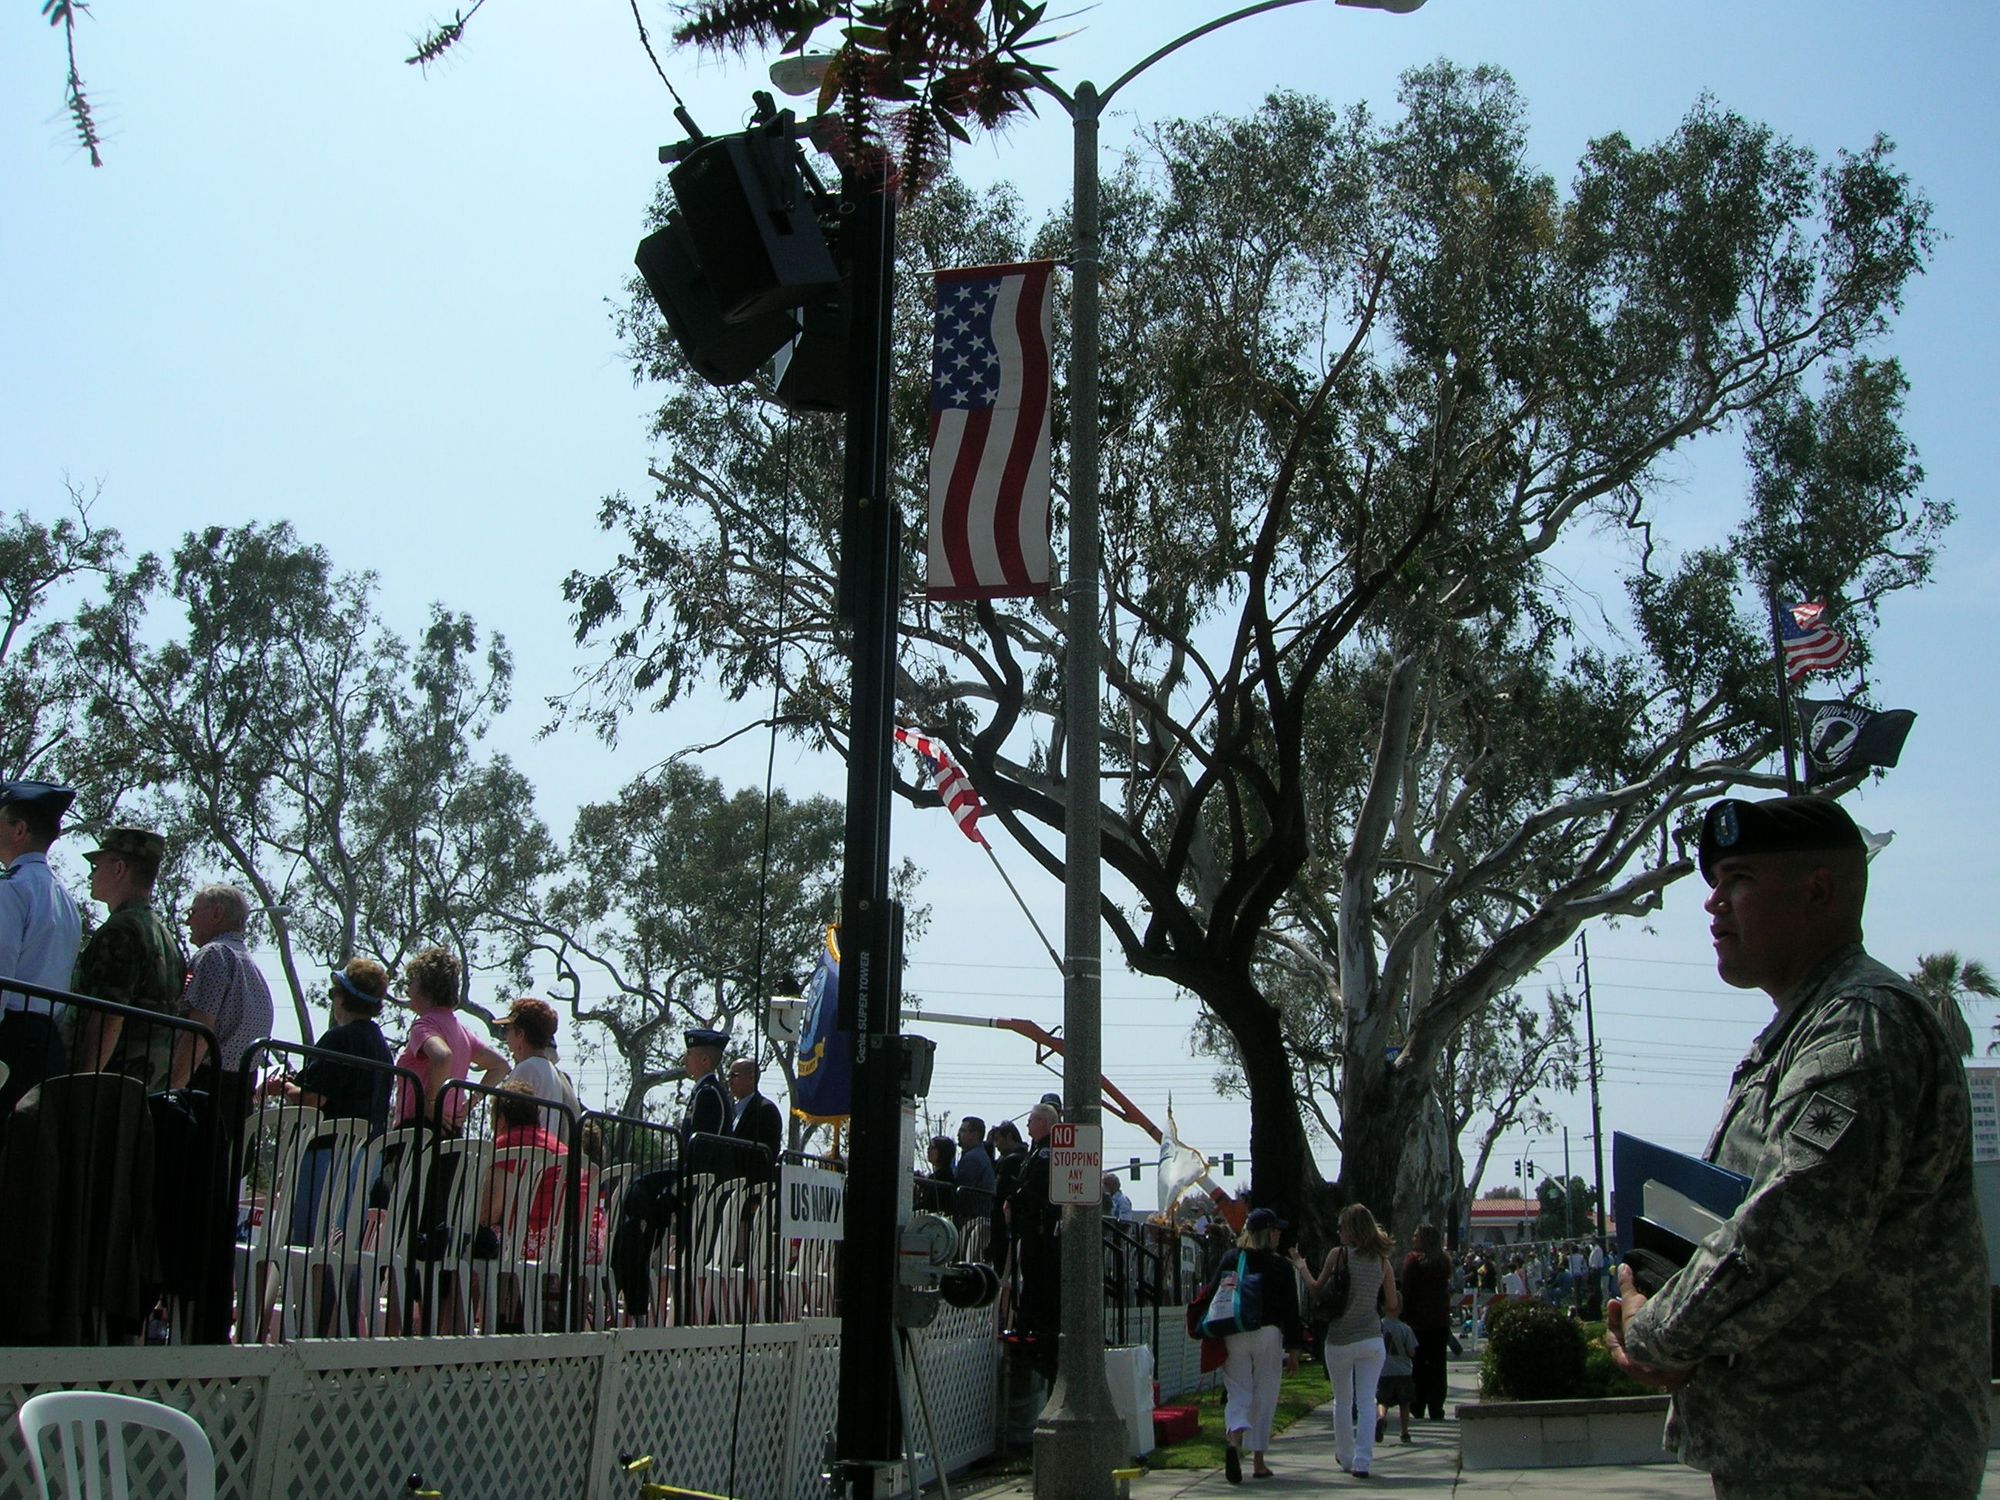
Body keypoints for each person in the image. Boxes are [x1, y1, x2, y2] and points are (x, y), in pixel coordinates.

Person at [1605, 794, 1990, 1499]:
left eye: (1741, 880)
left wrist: (1656, 1330)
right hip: (1806, 1457)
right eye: (1714, 882)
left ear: (1818, 890)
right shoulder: (1804, 1030)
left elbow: (1792, 1229)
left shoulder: (1859, 1028)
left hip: (1859, 1460)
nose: (1714, 904)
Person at [73, 827, 186, 1091]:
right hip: (144, 1091)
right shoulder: (164, 936)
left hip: (109, 1088)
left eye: (96, 865)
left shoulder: (121, 931)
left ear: (118, 868)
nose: (91, 874)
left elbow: (109, 1017)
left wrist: (81, 1088)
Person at [1297, 1202, 1401, 1479]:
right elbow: (1392, 1304)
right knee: (1367, 1401)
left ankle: (1345, 1456)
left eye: (1342, 1227)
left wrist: (1301, 1266)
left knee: (1343, 1401)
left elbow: (1316, 1289)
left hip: (1340, 1338)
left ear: (1351, 1230)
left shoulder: (1338, 1255)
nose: (1338, 1231)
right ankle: (1363, 1461)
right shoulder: (1382, 1261)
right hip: (1371, 1338)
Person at [0, 780, 81, 1113]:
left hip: (10, 1038)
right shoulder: (65, 899)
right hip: (47, 1042)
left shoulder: (13, 889)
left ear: (20, 829)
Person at [1210, 1206, 1303, 1483]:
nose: (1279, 1235)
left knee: (1238, 1390)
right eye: (1276, 1230)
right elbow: (1291, 1310)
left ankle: (1234, 1440)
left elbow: (1214, 1292)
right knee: (1265, 1393)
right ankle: (1259, 1461)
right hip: (1268, 1333)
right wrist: (1295, 1347)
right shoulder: (1280, 1266)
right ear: (1269, 1233)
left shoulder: (1231, 1259)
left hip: (1235, 1331)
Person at [170, 883, 275, 1100]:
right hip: (238, 1093)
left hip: (201, 1089)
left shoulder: (213, 954)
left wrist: (169, 1091)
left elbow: (198, 1032)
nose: (188, 921)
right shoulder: (251, 966)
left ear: (217, 913)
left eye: (193, 912)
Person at [393, 945, 504, 1130]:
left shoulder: (423, 1026)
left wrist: (430, 1104)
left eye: (411, 982)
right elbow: (500, 1065)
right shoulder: (462, 1031)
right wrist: (467, 1107)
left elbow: (443, 1056)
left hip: (417, 1130)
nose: (407, 990)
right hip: (451, 1133)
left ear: (425, 988)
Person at [493, 996, 579, 1125]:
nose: (506, 1036)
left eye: (507, 1029)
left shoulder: (526, 1069)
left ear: (520, 1034)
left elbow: (506, 1120)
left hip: (523, 1145)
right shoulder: (551, 1071)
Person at [1399, 1223, 1454, 1422]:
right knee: (1438, 1366)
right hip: (1439, 1320)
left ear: (1423, 1239)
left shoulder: (1413, 1261)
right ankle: (1436, 1406)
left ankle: (1418, 1404)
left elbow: (1407, 1291)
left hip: (1418, 1322)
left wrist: (1402, 1315)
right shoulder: (1444, 1262)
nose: (1413, 1239)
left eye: (1416, 1236)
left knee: (1419, 1366)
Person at [726, 1056, 784, 1159]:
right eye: (728, 1076)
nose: (729, 1080)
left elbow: (767, 1150)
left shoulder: (766, 1110)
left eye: (734, 1075)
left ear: (751, 1078)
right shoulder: (728, 1109)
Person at [677, 1026, 730, 1137]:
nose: (684, 1060)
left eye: (689, 1054)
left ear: (704, 1060)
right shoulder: (702, 1091)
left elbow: (704, 1144)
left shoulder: (708, 1093)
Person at [1377, 1311, 1418, 1445]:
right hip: (1403, 1372)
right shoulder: (1405, 1328)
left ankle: (1381, 1417)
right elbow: (1412, 1351)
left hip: (1384, 1371)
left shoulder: (1378, 1327)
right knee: (1404, 1403)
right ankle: (1404, 1431)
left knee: (1382, 1400)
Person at [953, 1115, 995, 1195]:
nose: (958, 1135)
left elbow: (961, 1190)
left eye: (963, 1131)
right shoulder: (980, 1154)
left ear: (974, 1135)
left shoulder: (972, 1158)